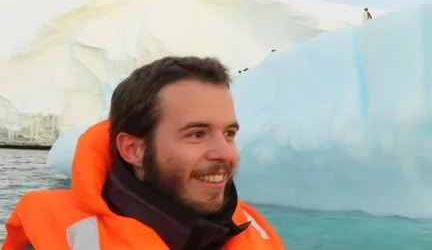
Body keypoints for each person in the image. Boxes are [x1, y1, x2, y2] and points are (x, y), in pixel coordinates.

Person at [2, 56, 285, 250]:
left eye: (229, 134)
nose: (225, 153)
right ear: (134, 149)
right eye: (196, 134)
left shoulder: (253, 231)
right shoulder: (57, 239)